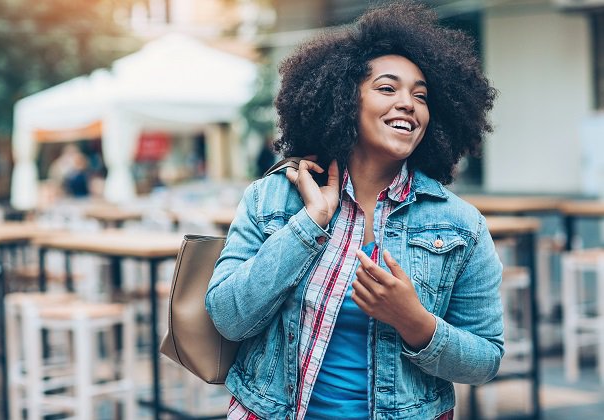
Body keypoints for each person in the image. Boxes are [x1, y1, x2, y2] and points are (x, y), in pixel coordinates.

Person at [206, 2, 503, 419]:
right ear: (345, 99)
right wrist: (308, 226)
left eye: (420, 95)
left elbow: (486, 358)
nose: (408, 104)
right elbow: (228, 318)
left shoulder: (460, 225)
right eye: (387, 88)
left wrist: (414, 322)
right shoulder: (273, 197)